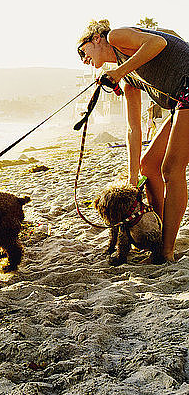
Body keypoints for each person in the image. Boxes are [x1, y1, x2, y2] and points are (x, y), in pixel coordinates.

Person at [77, 19, 189, 263]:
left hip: (187, 90)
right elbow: (133, 129)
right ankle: (158, 233)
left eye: (81, 51)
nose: (82, 59)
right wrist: (131, 177)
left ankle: (166, 251)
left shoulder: (115, 37)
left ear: (96, 38)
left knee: (172, 169)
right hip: (180, 101)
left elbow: (157, 42)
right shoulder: (127, 76)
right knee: (148, 165)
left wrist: (119, 71)